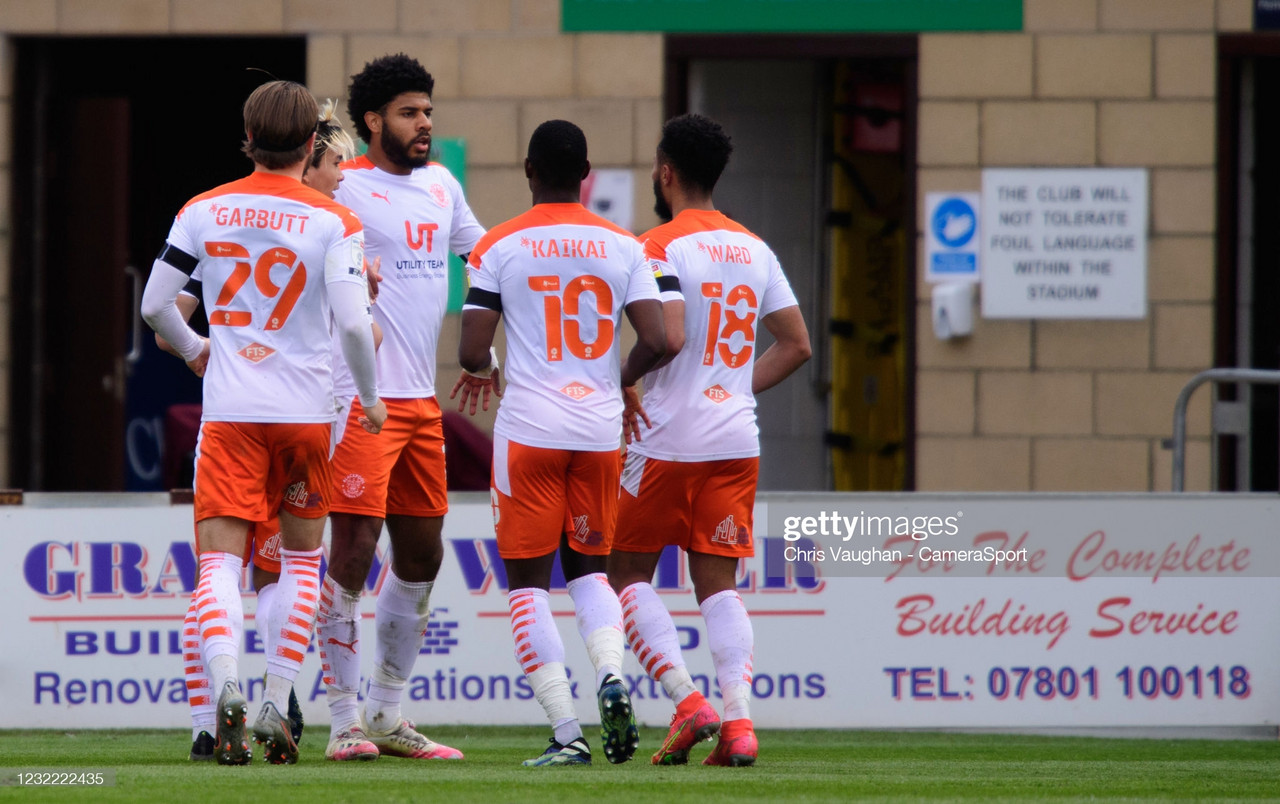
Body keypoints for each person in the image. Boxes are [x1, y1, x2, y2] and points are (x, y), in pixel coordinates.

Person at [142, 79, 386, 765]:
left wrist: (196, 352)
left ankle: (227, 690)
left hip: (231, 415)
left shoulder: (203, 209)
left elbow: (158, 305)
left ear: (247, 139)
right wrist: (369, 400)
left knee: (220, 562)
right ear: (312, 143)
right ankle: (278, 700)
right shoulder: (333, 221)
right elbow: (357, 327)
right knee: (302, 562)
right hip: (308, 416)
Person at [453, 119, 667, 767]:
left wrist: (488, 368)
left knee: (527, 584)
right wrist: (616, 379)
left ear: (527, 170)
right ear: (586, 173)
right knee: (592, 570)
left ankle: (567, 732)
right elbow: (657, 339)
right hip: (599, 429)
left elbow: (469, 351)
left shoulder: (498, 245)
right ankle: (611, 677)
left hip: (530, 430)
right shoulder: (624, 245)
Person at [606, 113, 812, 768]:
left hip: (665, 438)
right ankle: (739, 725)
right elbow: (797, 344)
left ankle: (686, 699)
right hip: (734, 440)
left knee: (625, 571)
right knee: (718, 582)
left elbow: (662, 335)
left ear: (665, 172)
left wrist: (622, 379)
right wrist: (735, 387)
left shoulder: (657, 245)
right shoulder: (755, 248)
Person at [314, 53, 483, 763]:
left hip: (419, 405)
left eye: (429, 113)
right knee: (352, 552)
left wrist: (491, 349)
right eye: (411, 113)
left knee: (422, 555)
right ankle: (343, 721)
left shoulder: (443, 186)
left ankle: (387, 712)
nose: (425, 125)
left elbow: (489, 262)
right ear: (374, 120)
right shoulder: (340, 188)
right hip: (359, 400)